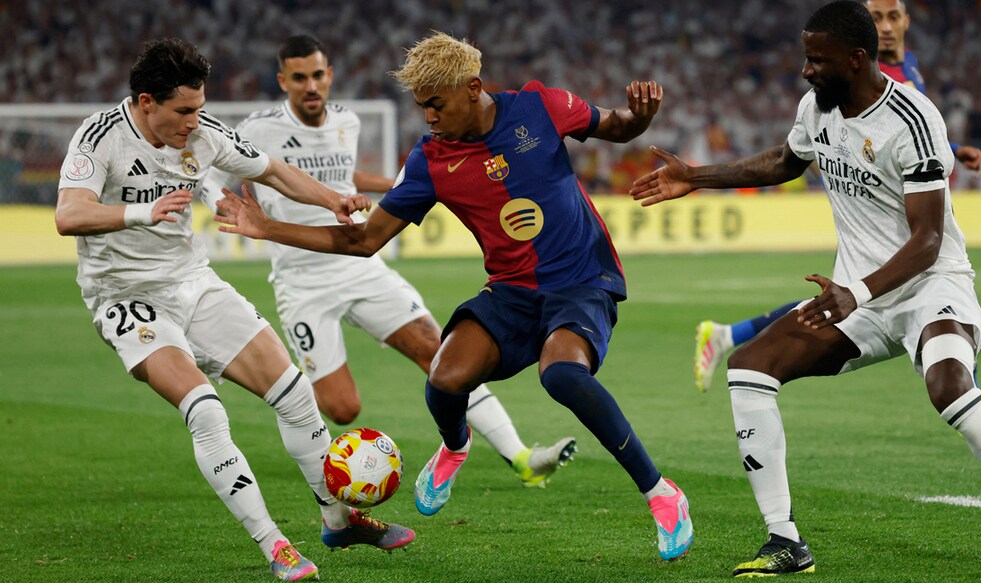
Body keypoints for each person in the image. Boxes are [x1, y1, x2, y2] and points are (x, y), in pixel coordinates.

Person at [629, 2, 981, 577]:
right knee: (749, 369)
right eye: (805, 58)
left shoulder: (913, 120)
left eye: (817, 60)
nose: (806, 71)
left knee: (948, 386)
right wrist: (696, 176)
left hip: (930, 287)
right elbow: (784, 162)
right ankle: (785, 541)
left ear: (856, 58)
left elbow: (928, 239)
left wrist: (858, 293)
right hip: (860, 297)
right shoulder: (817, 110)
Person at [214, 31, 694, 561]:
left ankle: (661, 494)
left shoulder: (541, 105)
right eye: (420, 107)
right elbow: (364, 239)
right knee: (443, 379)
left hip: (581, 280)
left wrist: (641, 118)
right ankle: (455, 447)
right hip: (511, 292)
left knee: (561, 374)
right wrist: (266, 228)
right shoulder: (431, 160)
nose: (428, 117)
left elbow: (618, 127)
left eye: (435, 104)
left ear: (472, 88)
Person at [54, 38, 413, 582]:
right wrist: (142, 212)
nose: (194, 122)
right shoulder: (100, 136)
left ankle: (338, 519)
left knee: (294, 392)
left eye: (199, 108)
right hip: (126, 298)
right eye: (183, 111)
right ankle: (275, 546)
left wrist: (332, 200)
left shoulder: (203, 133)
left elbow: (274, 170)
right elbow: (69, 214)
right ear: (147, 101)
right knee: (206, 410)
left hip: (193, 284)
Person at [203, 34, 576, 488]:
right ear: (283, 81)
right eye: (299, 78)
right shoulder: (259, 129)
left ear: (330, 75)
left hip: (362, 268)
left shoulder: (348, 121)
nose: (311, 85)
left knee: (438, 351)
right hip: (302, 281)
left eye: (318, 74)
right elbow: (215, 170)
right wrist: (219, 203)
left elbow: (341, 173)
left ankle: (520, 457)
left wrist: (405, 188)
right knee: (343, 408)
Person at [690, 0, 981, 395]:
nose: (884, 26)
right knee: (849, 301)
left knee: (898, 309)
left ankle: (969, 401)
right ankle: (968, 399)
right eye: (876, 17)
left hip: (913, 217)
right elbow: (826, 146)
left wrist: (953, 147)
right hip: (881, 218)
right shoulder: (849, 78)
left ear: (906, 21)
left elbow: (904, 133)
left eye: (890, 16)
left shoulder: (907, 71)